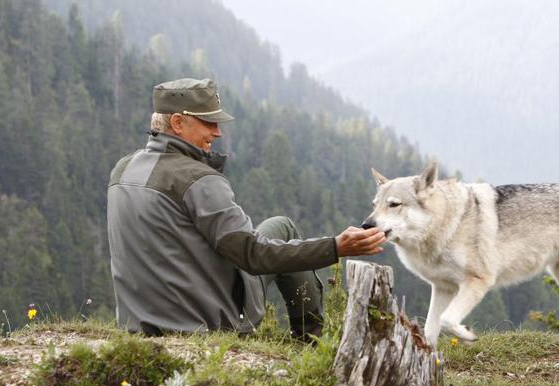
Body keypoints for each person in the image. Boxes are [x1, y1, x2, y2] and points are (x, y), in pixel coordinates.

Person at [107, 78, 386, 340]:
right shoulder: (199, 180)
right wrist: (335, 247)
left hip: (138, 326)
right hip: (206, 323)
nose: (217, 132)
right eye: (209, 123)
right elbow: (254, 255)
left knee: (272, 231)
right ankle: (310, 343)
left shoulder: (122, 169)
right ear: (178, 123)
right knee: (284, 227)